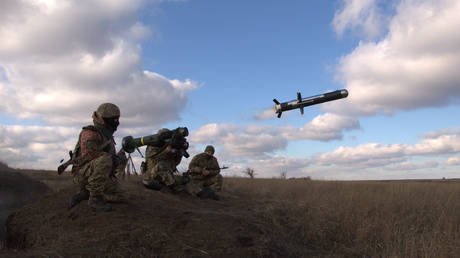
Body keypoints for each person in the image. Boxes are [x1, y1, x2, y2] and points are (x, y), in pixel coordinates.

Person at [69, 103, 128, 211]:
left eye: (117, 119)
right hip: (82, 174)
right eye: (113, 120)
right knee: (105, 160)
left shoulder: (107, 135)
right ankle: (95, 199)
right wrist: (112, 158)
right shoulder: (90, 133)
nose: (117, 123)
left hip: (97, 174)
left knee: (122, 196)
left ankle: (88, 193)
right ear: (103, 119)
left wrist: (120, 156)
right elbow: (89, 155)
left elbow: (108, 159)